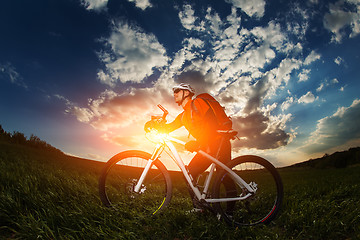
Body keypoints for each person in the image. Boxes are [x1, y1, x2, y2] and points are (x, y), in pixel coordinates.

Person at [161, 83, 232, 185]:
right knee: (189, 175)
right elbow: (169, 128)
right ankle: (198, 200)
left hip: (219, 142)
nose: (174, 94)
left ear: (186, 92)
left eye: (177, 91)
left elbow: (211, 123)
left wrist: (199, 143)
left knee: (224, 177)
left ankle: (234, 200)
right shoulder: (183, 116)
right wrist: (154, 126)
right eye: (174, 92)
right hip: (206, 146)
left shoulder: (198, 102)